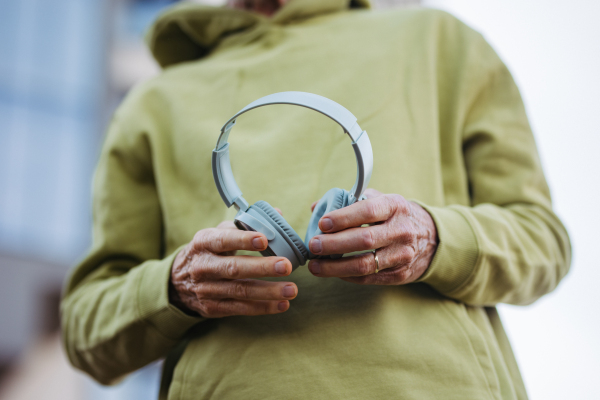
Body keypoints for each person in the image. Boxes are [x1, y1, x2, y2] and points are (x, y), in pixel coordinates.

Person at [60, 0, 571, 399]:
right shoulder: (152, 102)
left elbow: (543, 242)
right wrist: (173, 287)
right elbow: (86, 330)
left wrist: (435, 238)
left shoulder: (442, 40)